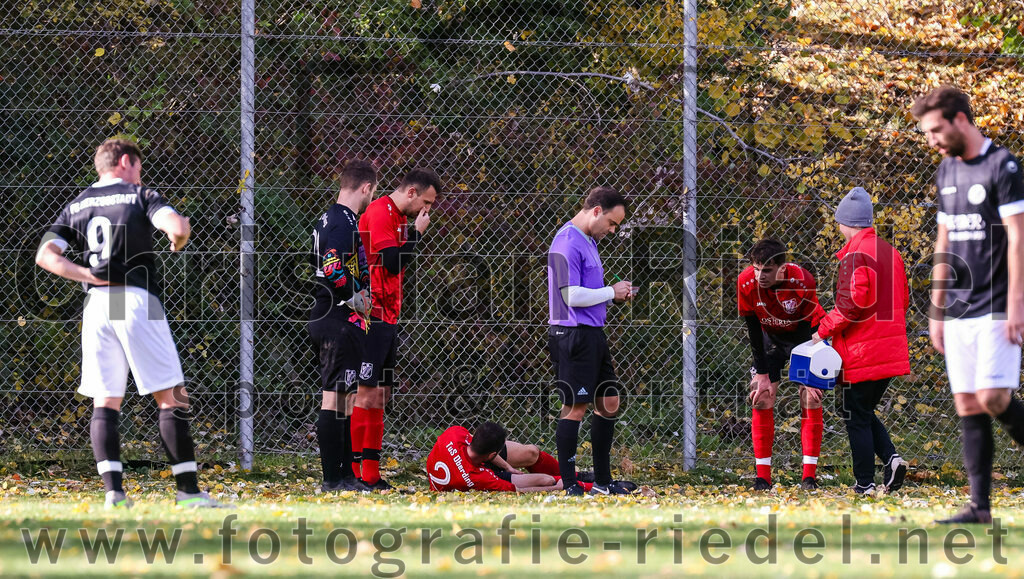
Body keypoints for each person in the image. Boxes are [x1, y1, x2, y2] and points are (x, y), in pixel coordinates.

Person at [34, 138, 221, 508]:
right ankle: (188, 493)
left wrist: (85, 272)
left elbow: (45, 255)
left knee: (106, 400)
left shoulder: (79, 203)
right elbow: (175, 227)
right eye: (137, 167)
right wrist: (178, 234)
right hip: (137, 300)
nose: (139, 174)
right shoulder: (139, 194)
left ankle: (114, 494)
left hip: (98, 304)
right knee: (172, 395)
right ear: (124, 162)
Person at [912, 86, 1024, 523]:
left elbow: (1018, 238)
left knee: (995, 396)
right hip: (958, 309)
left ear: (961, 120)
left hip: (998, 304)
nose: (932, 139)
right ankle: (979, 508)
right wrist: (936, 310)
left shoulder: (1004, 165)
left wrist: (1017, 304)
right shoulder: (945, 171)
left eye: (936, 130)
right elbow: (944, 241)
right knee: (969, 404)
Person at [811, 187, 911, 495]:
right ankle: (891, 459)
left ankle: (865, 483)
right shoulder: (889, 252)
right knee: (860, 410)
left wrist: (822, 330)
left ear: (845, 222)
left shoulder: (855, 255)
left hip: (863, 349)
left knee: (853, 412)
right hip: (889, 346)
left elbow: (851, 306)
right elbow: (903, 299)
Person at [354, 168, 442, 490]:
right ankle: (355, 472)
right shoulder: (380, 212)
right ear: (411, 192)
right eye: (426, 202)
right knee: (365, 394)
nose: (426, 210)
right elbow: (391, 262)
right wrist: (417, 234)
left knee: (380, 395)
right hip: (372, 315)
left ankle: (372, 475)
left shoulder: (398, 217)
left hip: (388, 317)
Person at [547, 186, 636, 496]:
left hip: (593, 333)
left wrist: (613, 296)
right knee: (575, 408)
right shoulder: (566, 242)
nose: (612, 230)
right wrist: (611, 292)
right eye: (612, 223)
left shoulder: (589, 241)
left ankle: (602, 481)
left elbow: (589, 295)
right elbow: (568, 295)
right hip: (572, 335)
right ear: (596, 211)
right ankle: (570, 484)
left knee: (609, 402)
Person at [308, 159, 377, 492]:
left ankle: (346, 476)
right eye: (372, 192)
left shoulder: (332, 218)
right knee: (334, 399)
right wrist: (356, 297)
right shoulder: (340, 220)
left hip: (340, 319)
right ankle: (332, 479)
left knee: (346, 400)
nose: (370, 198)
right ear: (365, 188)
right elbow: (331, 264)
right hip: (336, 319)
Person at [737, 239, 827, 490]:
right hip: (770, 338)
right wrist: (763, 373)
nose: (759, 276)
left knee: (811, 397)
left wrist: (810, 377)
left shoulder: (802, 281)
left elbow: (812, 328)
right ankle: (762, 478)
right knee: (761, 395)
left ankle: (809, 477)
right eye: (756, 269)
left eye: (766, 270)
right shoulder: (746, 282)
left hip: (805, 337)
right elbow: (753, 329)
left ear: (782, 268)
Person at [426, 422, 595, 492]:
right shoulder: (477, 478)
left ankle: (571, 475)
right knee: (548, 481)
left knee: (531, 452)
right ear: (493, 454)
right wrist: (554, 489)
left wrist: (507, 466)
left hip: (477, 461)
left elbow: (478, 446)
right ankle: (579, 484)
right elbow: (517, 490)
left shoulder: (454, 434)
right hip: (477, 472)